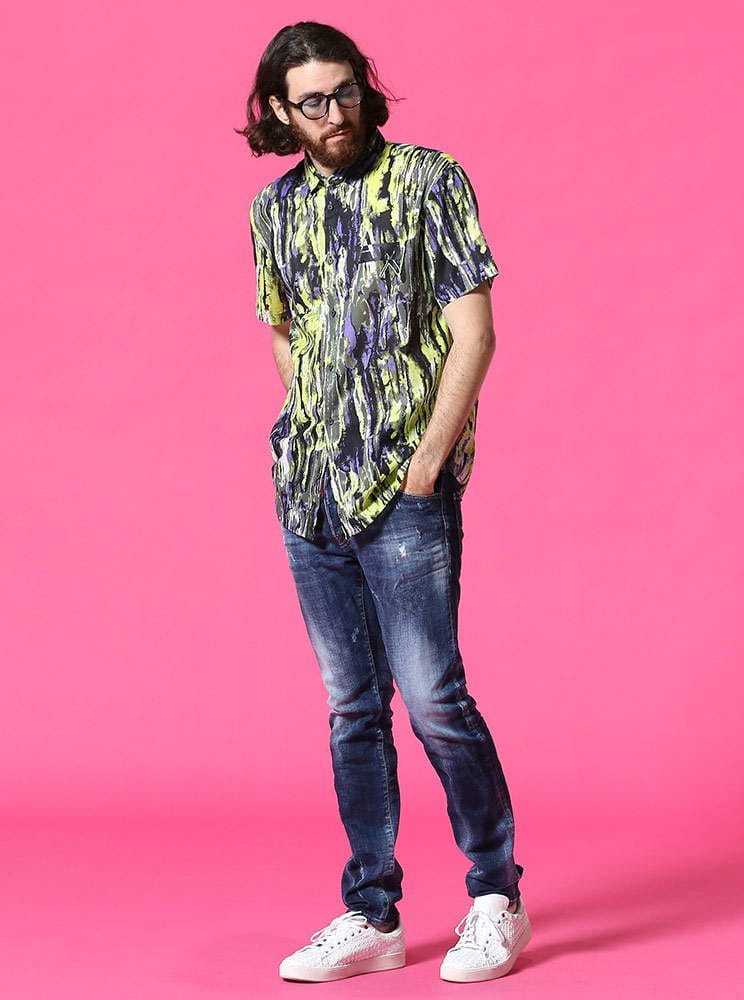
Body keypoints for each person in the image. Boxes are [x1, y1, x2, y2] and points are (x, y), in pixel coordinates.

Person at [239, 20, 531, 984]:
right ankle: (373, 912)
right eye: (312, 101)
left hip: (405, 489)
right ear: (281, 112)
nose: (335, 113)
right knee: (351, 708)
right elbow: (284, 329)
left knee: (435, 698)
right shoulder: (273, 210)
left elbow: (474, 333)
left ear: (366, 87)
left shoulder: (428, 180)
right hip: (311, 494)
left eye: (347, 90)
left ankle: (496, 896)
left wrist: (427, 461)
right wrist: (308, 428)